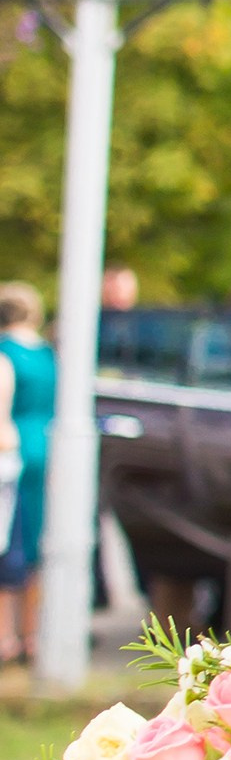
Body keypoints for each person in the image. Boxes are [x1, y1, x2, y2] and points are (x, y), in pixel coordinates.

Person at [0, 286, 53, 669]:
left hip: (12, 450)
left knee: (8, 543)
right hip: (47, 446)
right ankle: (32, 635)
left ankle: (5, 637)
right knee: (35, 544)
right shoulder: (48, 354)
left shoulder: (5, 353)